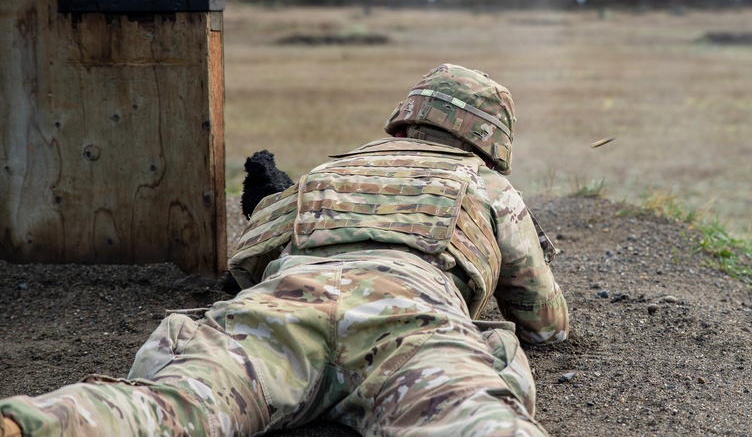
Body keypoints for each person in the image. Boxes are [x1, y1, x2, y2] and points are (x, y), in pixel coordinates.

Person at [0, 64, 569, 437]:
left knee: (177, 403)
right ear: (491, 142)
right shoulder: (487, 185)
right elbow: (544, 322)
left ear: (407, 119)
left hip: (288, 297)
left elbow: (248, 266)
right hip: (409, 310)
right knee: (474, 418)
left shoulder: (332, 171)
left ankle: (35, 423)